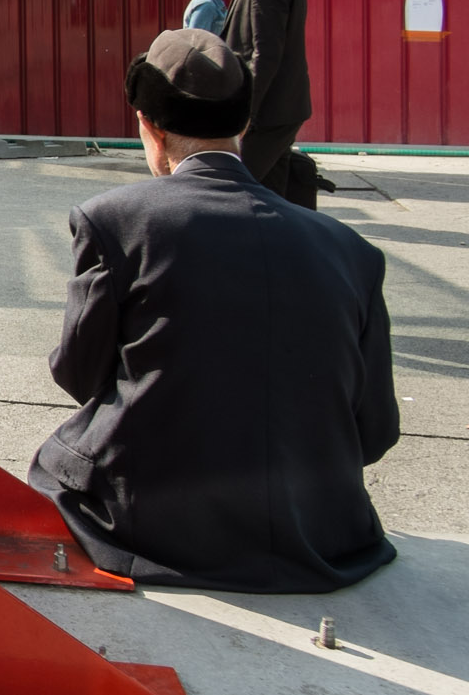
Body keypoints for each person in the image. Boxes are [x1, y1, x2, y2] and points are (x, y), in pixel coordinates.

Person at [28, 29, 399, 594]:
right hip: (321, 530)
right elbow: (374, 431)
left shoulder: (117, 220)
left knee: (59, 462)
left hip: (150, 523)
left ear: (148, 126)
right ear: (244, 126)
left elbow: (79, 373)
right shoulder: (351, 250)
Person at [224, 0, 312, 203]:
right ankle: (287, 249)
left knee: (232, 188)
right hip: (278, 110)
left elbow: (265, 52)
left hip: (267, 114)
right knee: (272, 198)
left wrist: (245, 114)